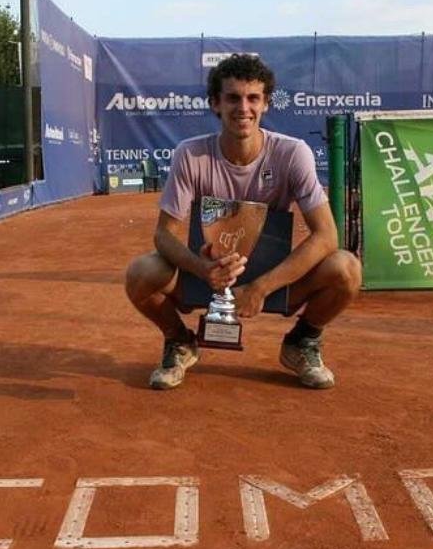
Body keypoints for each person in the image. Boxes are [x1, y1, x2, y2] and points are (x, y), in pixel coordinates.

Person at [124, 54, 361, 391]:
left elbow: (326, 236)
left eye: (253, 98)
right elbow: (164, 235)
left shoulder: (293, 154)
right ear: (215, 104)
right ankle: (179, 341)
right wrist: (203, 269)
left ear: (266, 104)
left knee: (346, 268)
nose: (243, 108)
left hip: (274, 284)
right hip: (207, 279)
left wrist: (260, 287)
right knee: (141, 273)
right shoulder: (190, 155)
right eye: (233, 98)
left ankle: (302, 342)